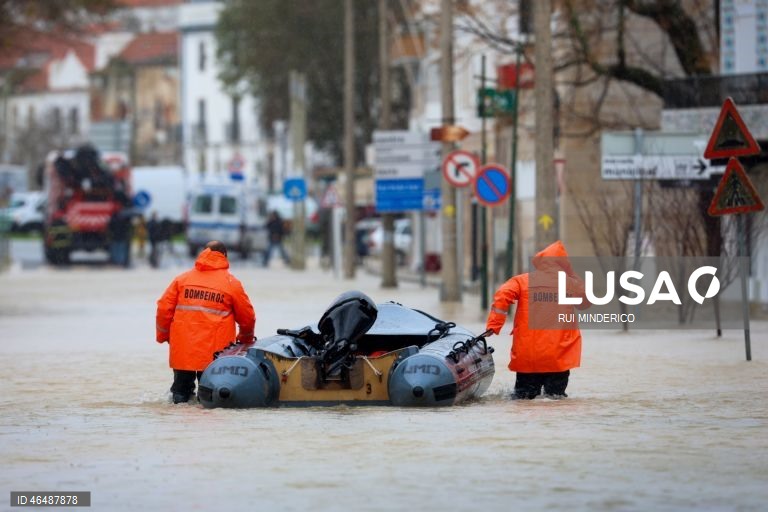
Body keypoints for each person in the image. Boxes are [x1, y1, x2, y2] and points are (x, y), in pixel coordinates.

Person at [485, 240, 589, 399]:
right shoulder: (570, 283)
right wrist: (571, 273)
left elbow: (502, 296)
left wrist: (494, 325)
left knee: (524, 400)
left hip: (528, 356)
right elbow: (585, 303)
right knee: (556, 399)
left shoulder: (521, 281)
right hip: (558, 357)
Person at [155, 240, 256, 404]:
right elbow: (247, 317)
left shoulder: (182, 280)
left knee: (180, 397)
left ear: (203, 253)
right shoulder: (231, 283)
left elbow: (163, 310)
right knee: (210, 399)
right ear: (224, 256)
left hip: (183, 350)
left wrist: (164, 336)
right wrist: (245, 339)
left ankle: (177, 426)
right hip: (215, 355)